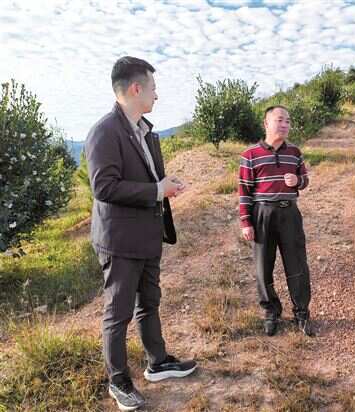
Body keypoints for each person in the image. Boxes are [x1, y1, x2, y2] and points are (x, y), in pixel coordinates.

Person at [85, 56, 197, 411]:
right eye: (153, 88)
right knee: (118, 313)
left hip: (147, 235)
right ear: (136, 89)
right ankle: (118, 381)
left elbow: (146, 180)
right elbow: (104, 187)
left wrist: (164, 185)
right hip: (119, 241)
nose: (156, 95)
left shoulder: (145, 130)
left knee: (149, 302)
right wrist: (156, 191)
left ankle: (157, 362)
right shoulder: (104, 132)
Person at [238, 105, 313, 337]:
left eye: (288, 121)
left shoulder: (295, 152)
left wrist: (298, 181)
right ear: (266, 123)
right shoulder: (250, 155)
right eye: (280, 120)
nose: (285, 125)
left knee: (297, 264)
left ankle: (301, 313)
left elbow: (305, 180)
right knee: (263, 266)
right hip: (262, 213)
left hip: (290, 213)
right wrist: (246, 222)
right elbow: (244, 191)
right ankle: (271, 312)